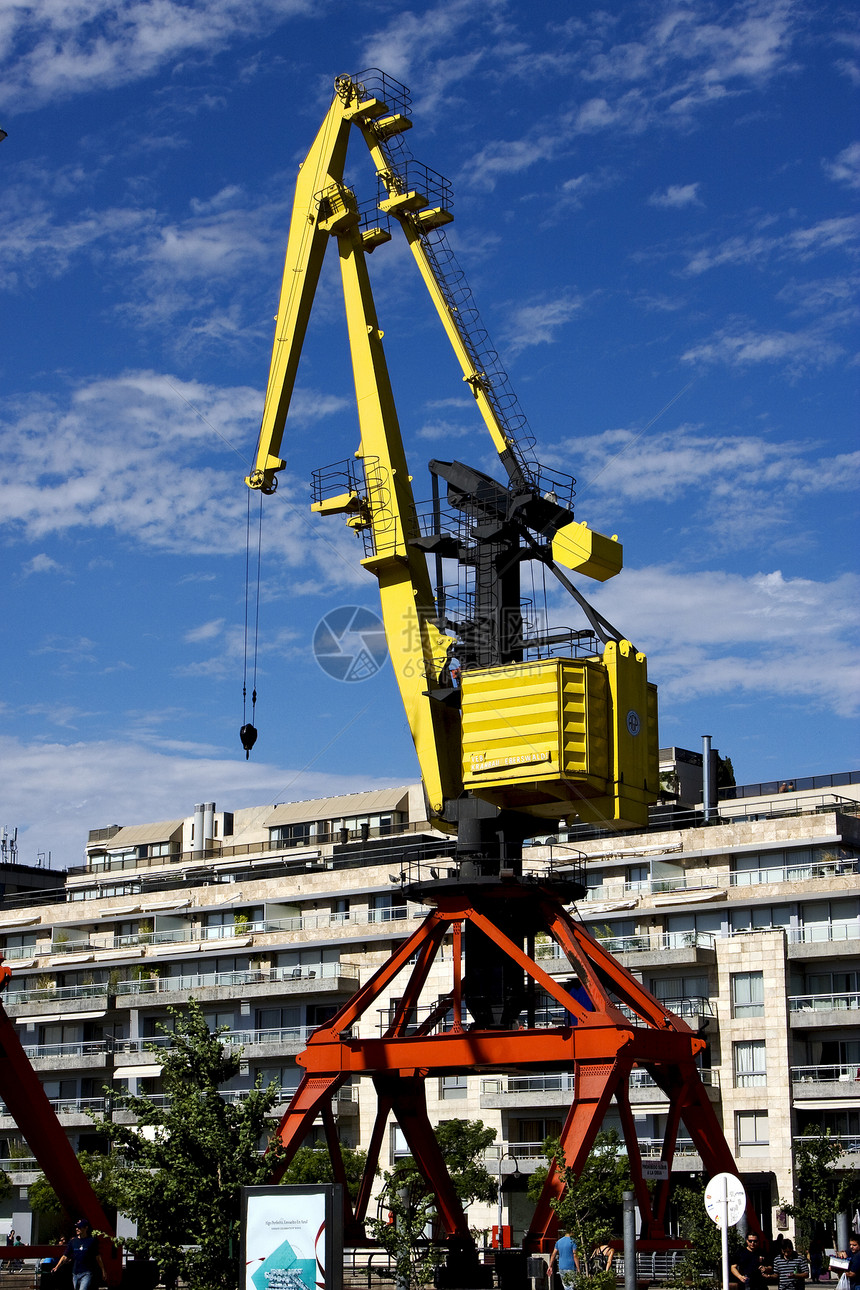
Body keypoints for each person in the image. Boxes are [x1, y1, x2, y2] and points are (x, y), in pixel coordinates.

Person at [52, 1219, 105, 1290]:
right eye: (77, 1227)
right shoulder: (73, 1242)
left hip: (87, 1273)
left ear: (86, 1228)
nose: (77, 1229)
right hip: (75, 1273)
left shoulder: (91, 1241)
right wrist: (57, 1267)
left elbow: (98, 1257)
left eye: (80, 1227)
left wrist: (103, 1270)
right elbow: (65, 1256)